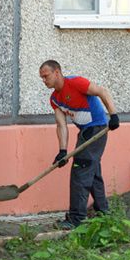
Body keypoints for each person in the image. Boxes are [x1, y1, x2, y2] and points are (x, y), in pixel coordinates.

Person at [39, 60, 120, 230]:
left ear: (57, 73)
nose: (44, 80)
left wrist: (113, 115)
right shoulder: (55, 99)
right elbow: (61, 125)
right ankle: (103, 212)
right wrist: (62, 151)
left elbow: (102, 91)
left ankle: (76, 219)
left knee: (80, 172)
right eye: (42, 78)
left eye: (46, 76)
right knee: (92, 172)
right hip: (85, 132)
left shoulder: (76, 83)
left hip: (97, 129)